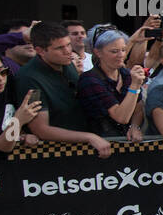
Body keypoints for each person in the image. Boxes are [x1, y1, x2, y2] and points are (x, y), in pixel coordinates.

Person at [16, 21, 112, 157]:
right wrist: (89, 137)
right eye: (60, 48)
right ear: (40, 50)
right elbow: (41, 129)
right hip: (54, 153)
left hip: (84, 144)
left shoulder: (66, 63)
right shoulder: (29, 79)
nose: (67, 51)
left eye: (68, 45)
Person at [77, 25, 146, 140]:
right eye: (114, 51)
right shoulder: (89, 80)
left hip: (125, 141)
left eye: (123, 50)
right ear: (98, 52)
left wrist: (134, 126)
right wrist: (135, 85)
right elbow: (121, 117)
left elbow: (138, 108)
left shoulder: (126, 74)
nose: (121, 55)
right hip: (98, 144)